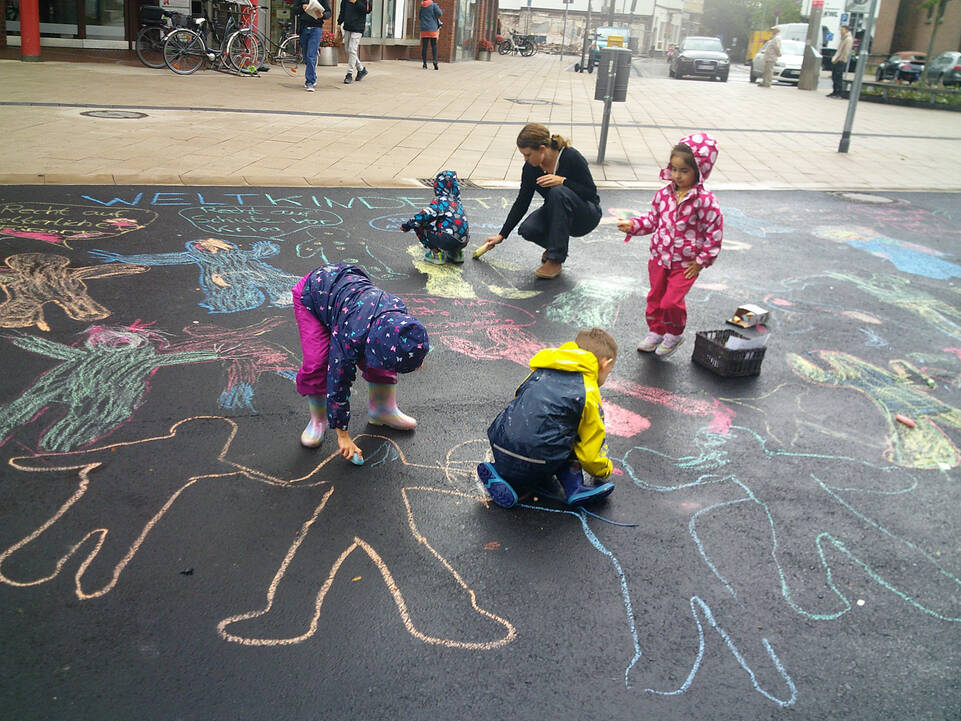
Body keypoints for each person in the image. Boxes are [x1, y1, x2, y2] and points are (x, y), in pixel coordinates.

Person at [292, 263, 429, 462]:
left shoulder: (398, 314)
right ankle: (318, 419)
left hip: (349, 293)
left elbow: (405, 345)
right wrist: (343, 435)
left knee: (383, 360)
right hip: (313, 295)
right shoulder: (352, 335)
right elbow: (338, 380)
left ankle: (382, 410)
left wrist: (416, 358)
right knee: (318, 362)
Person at [477, 328, 618, 509]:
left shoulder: (541, 370)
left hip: (501, 443)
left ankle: (499, 472)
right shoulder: (587, 389)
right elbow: (591, 447)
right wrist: (603, 470)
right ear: (605, 364)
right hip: (540, 459)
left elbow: (518, 396)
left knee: (532, 421)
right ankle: (574, 488)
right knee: (575, 431)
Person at [618, 133, 723, 358]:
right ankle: (656, 331)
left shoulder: (704, 200)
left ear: (700, 170)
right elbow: (653, 220)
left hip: (685, 263)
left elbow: (714, 232)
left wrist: (701, 261)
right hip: (659, 258)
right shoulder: (664, 195)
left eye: (684, 171)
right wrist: (633, 226)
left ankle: (674, 334)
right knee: (655, 298)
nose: (677, 175)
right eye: (674, 169)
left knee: (671, 302)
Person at [482, 123, 602, 279]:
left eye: (528, 154)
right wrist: (502, 235)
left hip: (586, 214)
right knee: (528, 229)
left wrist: (563, 181)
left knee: (558, 192)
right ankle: (556, 247)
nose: (525, 159)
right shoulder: (531, 169)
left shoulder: (570, 157)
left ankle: (555, 259)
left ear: (542, 149)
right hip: (559, 211)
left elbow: (591, 193)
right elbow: (522, 202)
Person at [401, 169, 470, 264]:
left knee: (419, 225)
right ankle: (456, 253)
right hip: (464, 241)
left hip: (448, 240)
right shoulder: (457, 201)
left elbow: (424, 215)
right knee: (453, 229)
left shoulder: (440, 201)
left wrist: (408, 225)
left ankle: (436, 253)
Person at [295, 0, 331, 92]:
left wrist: (322, 15)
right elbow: (294, 10)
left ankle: (310, 82)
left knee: (311, 55)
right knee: (306, 56)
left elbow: (328, 12)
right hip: (304, 28)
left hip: (316, 28)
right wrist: (302, 8)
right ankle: (312, 76)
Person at [338, 0, 371, 85]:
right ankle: (361, 69)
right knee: (347, 50)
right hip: (348, 26)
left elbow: (367, 10)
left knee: (352, 49)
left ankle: (349, 74)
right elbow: (343, 10)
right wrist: (339, 23)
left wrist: (356, 2)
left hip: (358, 27)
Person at [828, 25, 852, 98]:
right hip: (837, 60)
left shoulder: (848, 39)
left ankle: (839, 93)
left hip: (841, 60)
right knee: (834, 76)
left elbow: (845, 51)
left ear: (846, 30)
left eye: (842, 30)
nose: (841, 31)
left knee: (838, 77)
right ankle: (835, 91)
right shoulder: (843, 39)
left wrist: (841, 59)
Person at [419, 0, 442, 70]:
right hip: (432, 29)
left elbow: (420, 17)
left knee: (424, 47)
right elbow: (440, 13)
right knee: (434, 46)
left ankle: (424, 64)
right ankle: (435, 62)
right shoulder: (434, 5)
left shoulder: (421, 6)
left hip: (424, 29)